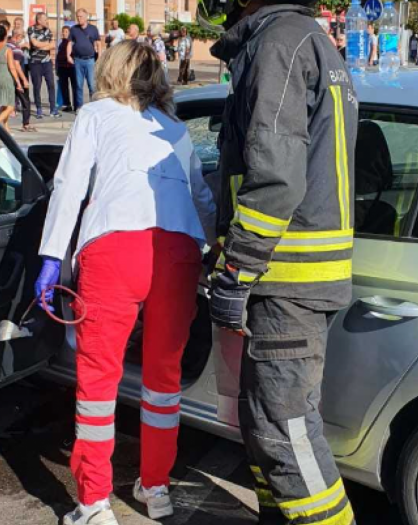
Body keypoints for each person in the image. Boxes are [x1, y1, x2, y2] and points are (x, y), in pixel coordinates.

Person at [35, 40, 216, 525]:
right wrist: (214, 247)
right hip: (177, 251)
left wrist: (51, 256)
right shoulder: (175, 128)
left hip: (114, 248)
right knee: (164, 379)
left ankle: (94, 503)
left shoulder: (95, 115)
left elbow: (69, 186)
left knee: (98, 380)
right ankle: (156, 487)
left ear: (110, 70)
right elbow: (201, 196)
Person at [200, 0, 359, 523]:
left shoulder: (276, 45)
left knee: (284, 433)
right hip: (293, 279)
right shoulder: (309, 39)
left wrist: (237, 268)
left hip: (284, 281)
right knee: (262, 424)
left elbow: (275, 178)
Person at [28, 12, 60, 119]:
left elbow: (53, 45)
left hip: (47, 62)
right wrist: (46, 44)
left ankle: (53, 109)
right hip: (35, 63)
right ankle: (39, 109)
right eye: (45, 20)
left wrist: (41, 46)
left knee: (51, 85)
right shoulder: (31, 29)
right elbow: (34, 44)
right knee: (37, 86)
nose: (47, 21)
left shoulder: (48, 30)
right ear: (39, 21)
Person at [69, 8, 101, 112]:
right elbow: (70, 43)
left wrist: (99, 56)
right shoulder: (73, 29)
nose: (79, 18)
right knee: (79, 85)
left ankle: (94, 107)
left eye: (81, 16)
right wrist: (68, 56)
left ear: (86, 17)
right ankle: (79, 107)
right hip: (78, 60)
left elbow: (98, 43)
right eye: (77, 16)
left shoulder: (93, 29)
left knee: (91, 85)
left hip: (90, 60)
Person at [0, 25, 21, 131]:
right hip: (5, 78)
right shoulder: (7, 50)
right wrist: (18, 82)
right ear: (5, 35)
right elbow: (12, 68)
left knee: (4, 103)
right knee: (10, 106)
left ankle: (6, 128)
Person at [9, 28, 36, 132]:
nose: (22, 39)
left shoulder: (6, 45)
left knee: (6, 103)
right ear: (18, 36)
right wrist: (24, 80)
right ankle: (26, 124)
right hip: (17, 78)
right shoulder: (16, 49)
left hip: (7, 78)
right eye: (22, 37)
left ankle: (0, 124)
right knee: (25, 101)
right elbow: (17, 66)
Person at [57, 25, 76, 112]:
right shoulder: (61, 43)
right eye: (63, 31)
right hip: (62, 68)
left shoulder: (72, 43)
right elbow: (58, 56)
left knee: (74, 87)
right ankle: (67, 104)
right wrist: (57, 68)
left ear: (69, 33)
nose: (64, 33)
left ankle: (76, 105)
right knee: (64, 87)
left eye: (66, 32)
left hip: (71, 67)